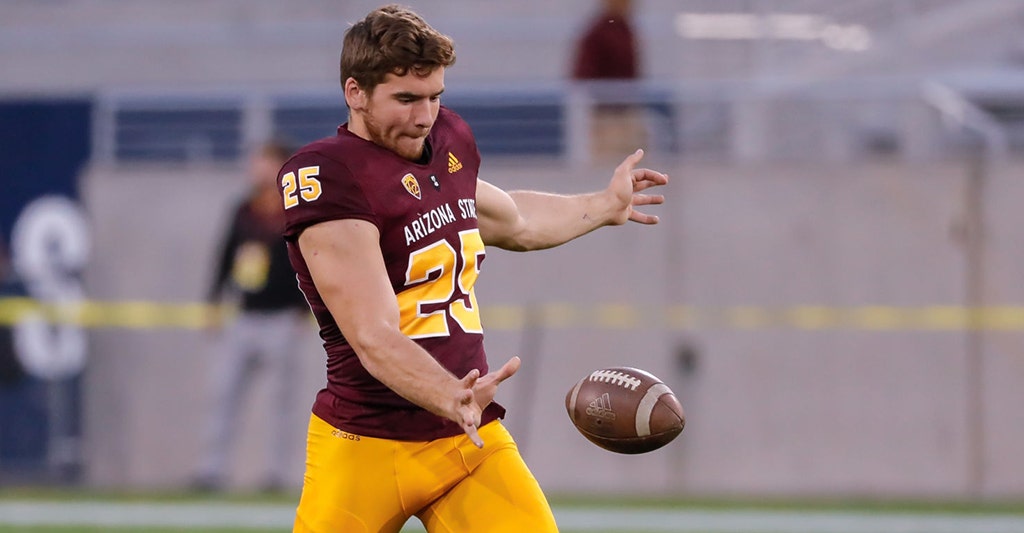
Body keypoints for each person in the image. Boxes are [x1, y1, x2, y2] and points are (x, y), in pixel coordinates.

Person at [279, 5, 668, 531]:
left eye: (435, 96)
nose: (424, 115)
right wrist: (450, 395)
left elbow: (513, 219)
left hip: (467, 439)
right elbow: (372, 334)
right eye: (406, 99)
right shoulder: (329, 174)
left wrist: (601, 206)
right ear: (355, 93)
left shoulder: (448, 143)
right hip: (366, 443)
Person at [192, 140, 310, 493]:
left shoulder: (296, 211)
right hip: (244, 317)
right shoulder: (244, 209)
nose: (254, 167)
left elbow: (310, 261)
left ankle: (275, 474)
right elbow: (224, 254)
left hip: (282, 318)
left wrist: (306, 309)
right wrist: (214, 300)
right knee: (223, 394)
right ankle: (211, 471)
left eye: (262, 161)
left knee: (281, 402)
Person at [570, 0, 648, 159]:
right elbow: (582, 73)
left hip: (627, 109)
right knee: (609, 161)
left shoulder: (626, 29)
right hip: (605, 114)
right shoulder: (597, 32)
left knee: (635, 157)